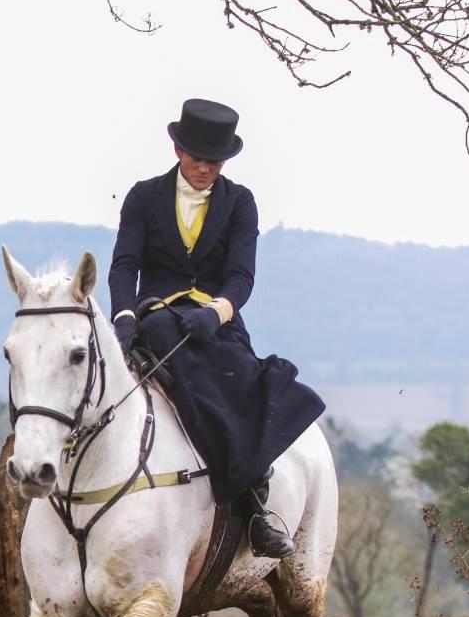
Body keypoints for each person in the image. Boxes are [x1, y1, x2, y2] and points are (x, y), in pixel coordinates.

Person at [108, 98, 325, 559]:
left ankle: (253, 504)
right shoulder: (143, 197)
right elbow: (124, 265)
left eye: (215, 161)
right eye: (198, 159)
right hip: (156, 316)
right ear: (177, 150)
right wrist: (123, 316)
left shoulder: (240, 202)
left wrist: (217, 311)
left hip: (216, 319)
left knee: (241, 378)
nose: (206, 169)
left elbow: (242, 275)